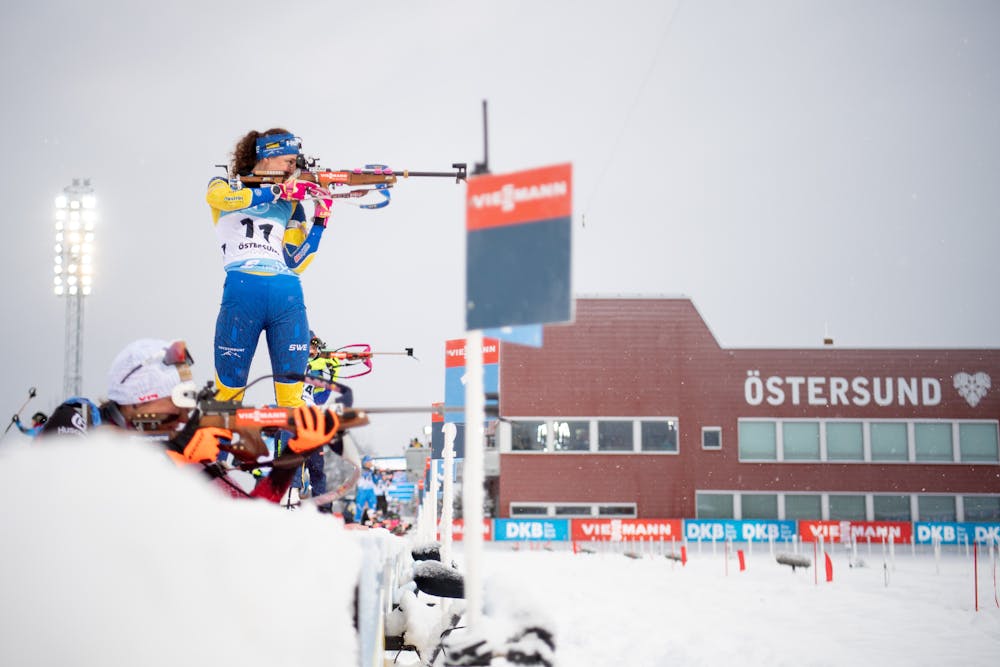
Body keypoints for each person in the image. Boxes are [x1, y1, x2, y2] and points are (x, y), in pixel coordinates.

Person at [39, 339, 338, 501]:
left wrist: (291, 457)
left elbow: (253, 517)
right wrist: (176, 456)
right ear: (142, 399)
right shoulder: (78, 418)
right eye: (177, 402)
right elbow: (57, 492)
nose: (184, 417)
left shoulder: (187, 453)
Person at [206, 128, 334, 410]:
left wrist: (320, 222)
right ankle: (218, 455)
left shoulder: (291, 204)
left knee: (292, 402)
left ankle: (292, 454)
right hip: (243, 291)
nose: (293, 167)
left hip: (286, 295)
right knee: (227, 397)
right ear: (266, 155)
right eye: (288, 160)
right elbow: (219, 200)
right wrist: (274, 191)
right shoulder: (225, 184)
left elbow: (295, 261)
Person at [286, 331, 355, 510]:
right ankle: (291, 500)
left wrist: (333, 372)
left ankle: (323, 510)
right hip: (294, 421)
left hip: (313, 423)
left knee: (317, 470)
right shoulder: (291, 361)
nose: (313, 350)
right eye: (309, 346)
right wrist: (315, 362)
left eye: (315, 346)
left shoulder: (315, 368)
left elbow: (321, 398)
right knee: (294, 464)